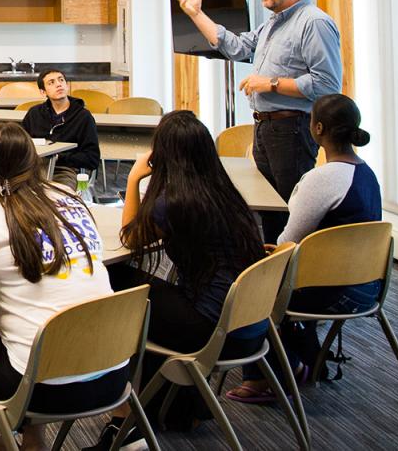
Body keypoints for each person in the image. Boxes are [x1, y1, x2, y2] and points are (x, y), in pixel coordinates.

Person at [0, 123, 122, 451]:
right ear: (35, 159)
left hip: (44, 386)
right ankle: (33, 442)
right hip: (113, 373)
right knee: (26, 337)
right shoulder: (70, 197)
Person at [91, 110, 267, 447]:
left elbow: (131, 236)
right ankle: (177, 407)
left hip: (210, 327)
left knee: (116, 279)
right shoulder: (222, 191)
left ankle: (123, 418)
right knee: (151, 300)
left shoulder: (173, 202)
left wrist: (133, 179)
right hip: (246, 323)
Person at [227, 93, 382, 404]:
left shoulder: (320, 179)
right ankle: (303, 356)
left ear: (318, 128)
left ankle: (267, 379)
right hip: (366, 285)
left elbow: (288, 241)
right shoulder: (367, 174)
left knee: (247, 284)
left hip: (328, 289)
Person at [172, 0, 341, 237]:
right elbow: (236, 47)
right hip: (265, 127)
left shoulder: (313, 23)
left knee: (290, 210)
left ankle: (296, 275)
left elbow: (327, 85)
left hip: (292, 129)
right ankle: (272, 271)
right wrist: (196, 14)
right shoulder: (273, 24)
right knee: (269, 210)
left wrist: (271, 83)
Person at [20, 69, 101, 179]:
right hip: (36, 168)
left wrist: (58, 157)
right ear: (43, 92)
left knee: (54, 193)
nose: (58, 84)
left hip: (66, 169)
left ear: (67, 86)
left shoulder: (83, 117)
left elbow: (92, 158)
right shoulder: (34, 113)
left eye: (61, 80)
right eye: (51, 82)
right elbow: (21, 145)